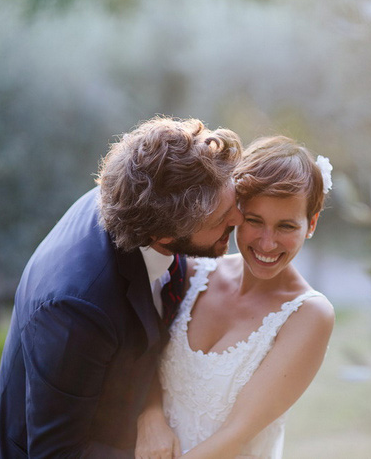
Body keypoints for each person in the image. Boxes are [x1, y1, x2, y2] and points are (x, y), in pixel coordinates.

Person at [0, 116, 244, 458]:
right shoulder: (75, 309)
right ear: (163, 236)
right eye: (221, 220)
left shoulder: (141, 193)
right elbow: (57, 452)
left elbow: (144, 335)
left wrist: (149, 410)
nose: (237, 218)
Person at [136, 136, 336, 458]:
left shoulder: (309, 315)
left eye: (286, 226)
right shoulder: (192, 270)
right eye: (255, 221)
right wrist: (150, 414)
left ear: (310, 224)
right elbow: (141, 352)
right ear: (236, 213)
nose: (267, 243)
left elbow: (237, 435)